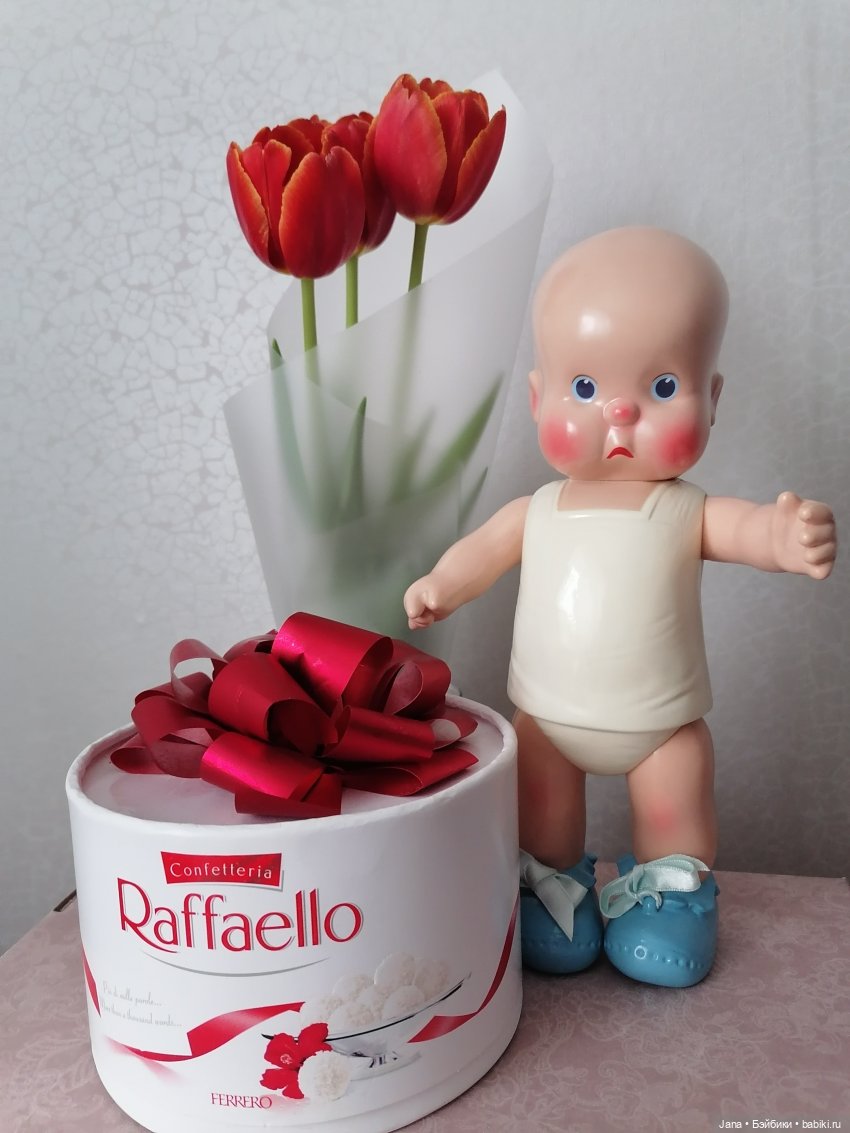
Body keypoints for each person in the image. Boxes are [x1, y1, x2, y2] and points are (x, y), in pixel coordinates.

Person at [403, 227, 836, 987]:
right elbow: (481, 552)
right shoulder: (537, 510)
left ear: (712, 399)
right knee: (540, 805)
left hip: (660, 723)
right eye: (584, 389)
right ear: (537, 397)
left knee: (675, 805)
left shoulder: (687, 509)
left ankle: (670, 897)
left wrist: (785, 535)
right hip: (549, 716)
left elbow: (749, 529)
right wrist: (440, 585)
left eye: (662, 388)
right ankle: (552, 887)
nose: (621, 412)